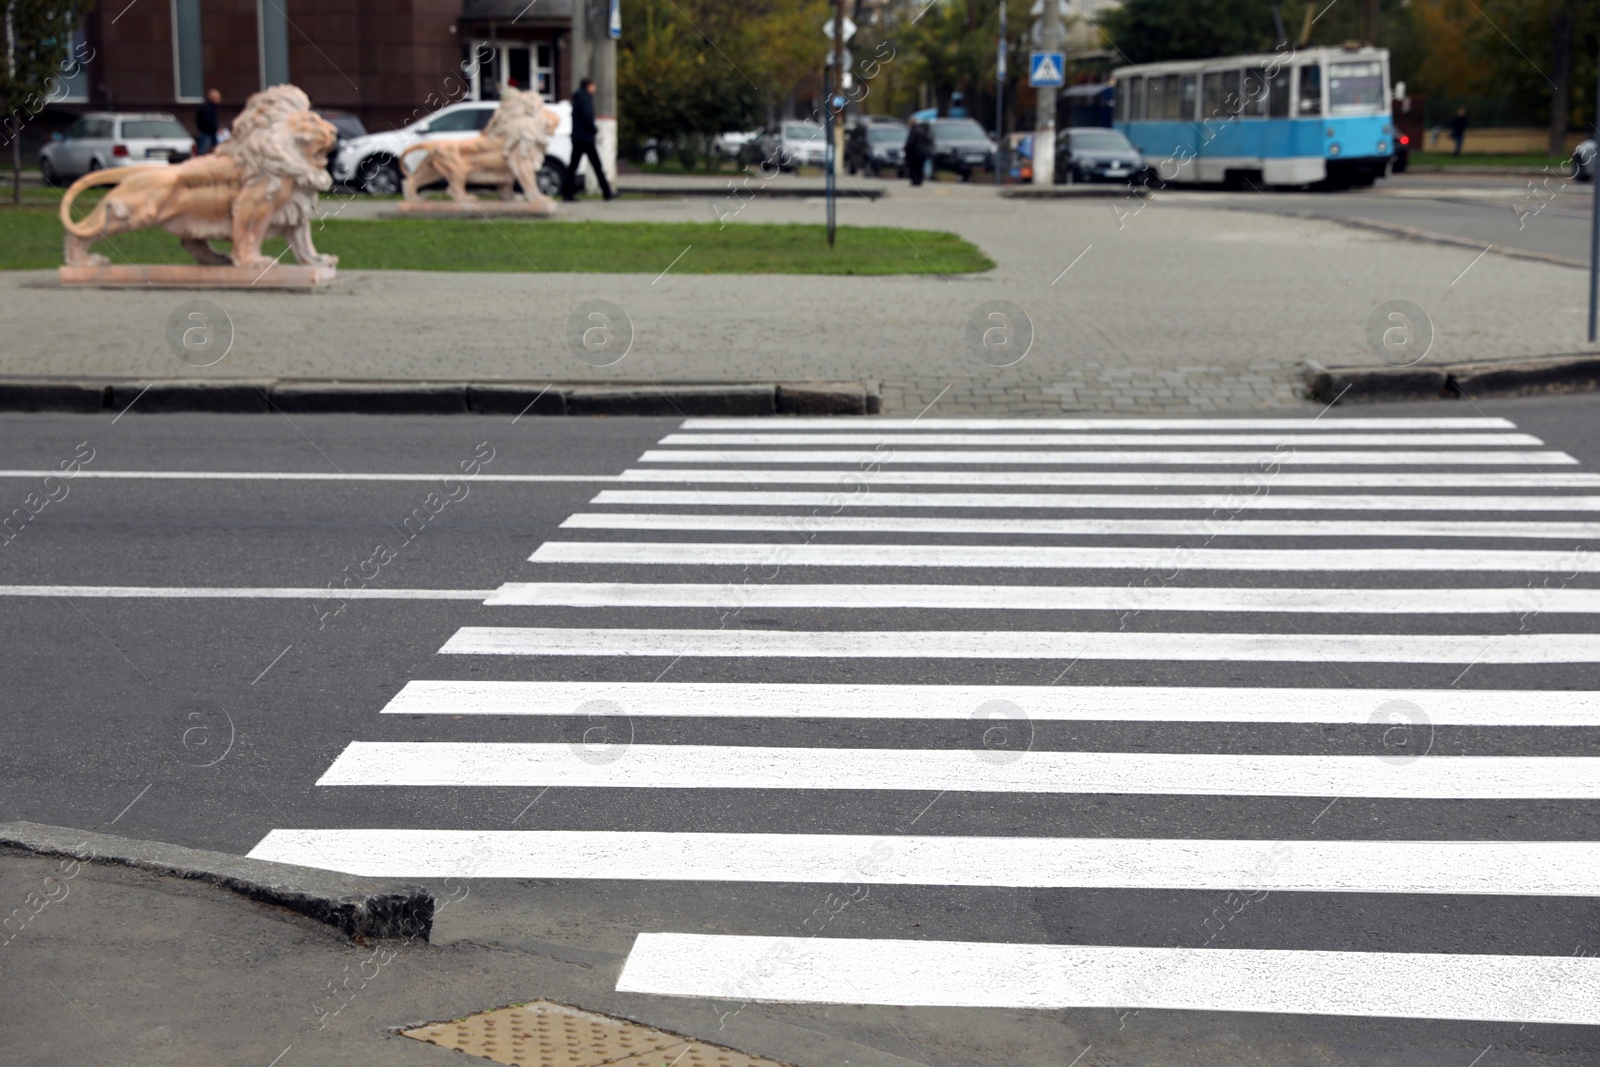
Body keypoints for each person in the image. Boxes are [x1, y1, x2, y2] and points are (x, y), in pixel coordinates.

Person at [563, 77, 615, 202]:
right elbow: (587, 117)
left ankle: (567, 193)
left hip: (579, 138)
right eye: (593, 85)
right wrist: (594, 129)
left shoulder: (578, 98)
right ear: (588, 86)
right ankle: (607, 193)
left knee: (573, 167)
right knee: (596, 165)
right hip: (585, 138)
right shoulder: (585, 99)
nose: (595, 88)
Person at [903, 118, 930, 187]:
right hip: (922, 152)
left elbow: (910, 142)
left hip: (914, 153)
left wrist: (905, 148)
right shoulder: (922, 131)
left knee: (913, 167)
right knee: (920, 167)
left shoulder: (913, 131)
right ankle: (919, 180)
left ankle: (915, 181)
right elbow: (927, 140)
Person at [195, 88, 221, 155]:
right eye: (218, 98)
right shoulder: (208, 108)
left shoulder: (210, 107)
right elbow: (208, 120)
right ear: (213, 98)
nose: (219, 99)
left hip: (210, 131)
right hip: (208, 131)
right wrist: (215, 128)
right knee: (202, 149)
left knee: (217, 147)